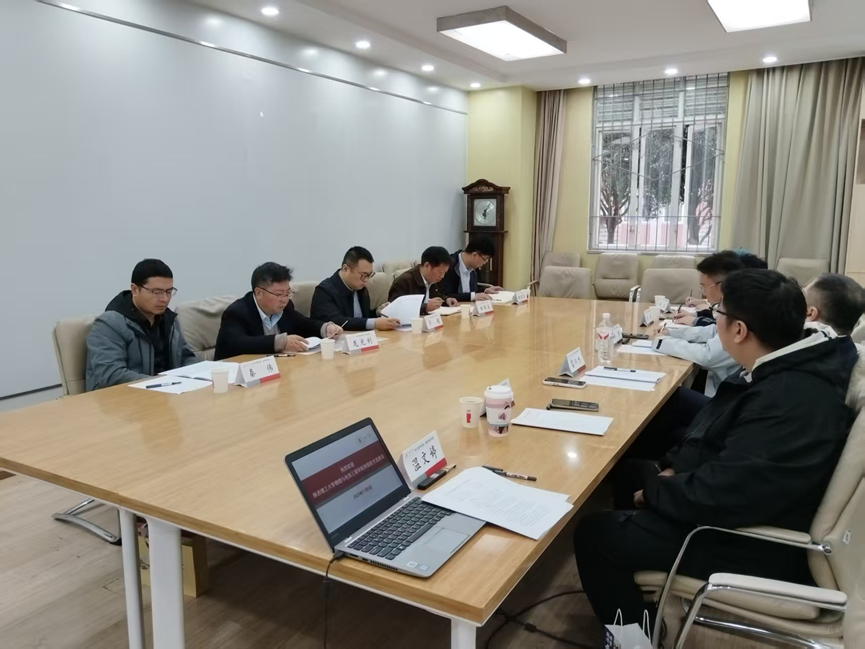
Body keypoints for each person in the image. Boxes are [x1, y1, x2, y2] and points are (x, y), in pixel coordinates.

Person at [575, 269, 858, 631]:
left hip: (754, 542)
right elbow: (724, 439)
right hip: (746, 503)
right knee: (632, 470)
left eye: (718, 312)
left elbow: (725, 493)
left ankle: (635, 637)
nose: (714, 318)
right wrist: (672, 470)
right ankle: (641, 595)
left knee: (595, 534)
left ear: (739, 330)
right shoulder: (790, 364)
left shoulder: (791, 399)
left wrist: (658, 489)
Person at [85, 259, 198, 391]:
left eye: (169, 292)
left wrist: (197, 376)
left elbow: (186, 357)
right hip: (125, 397)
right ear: (135, 290)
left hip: (169, 392)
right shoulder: (109, 325)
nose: (165, 299)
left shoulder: (169, 319)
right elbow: (111, 375)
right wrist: (163, 383)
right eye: (157, 292)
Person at [214, 262, 342, 360]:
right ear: (258, 293)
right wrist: (280, 342)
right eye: (279, 294)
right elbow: (239, 344)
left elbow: (303, 323)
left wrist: (325, 328)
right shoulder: (236, 313)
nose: (284, 299)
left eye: (287, 293)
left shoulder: (286, 307)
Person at [310, 247, 401, 332]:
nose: (366, 280)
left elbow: (361, 318)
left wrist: (377, 312)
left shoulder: (360, 288)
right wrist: (374, 323)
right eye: (363, 275)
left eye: (369, 275)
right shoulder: (324, 291)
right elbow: (337, 321)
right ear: (346, 269)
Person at [675, 251, 745, 326]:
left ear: (721, 286)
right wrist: (694, 315)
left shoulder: (740, 311)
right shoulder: (730, 304)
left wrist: (695, 321)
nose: (704, 293)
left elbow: (716, 328)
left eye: (704, 287)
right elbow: (715, 316)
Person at [388, 246, 458, 315]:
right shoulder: (404, 281)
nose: (442, 276)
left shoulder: (432, 279)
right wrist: (425, 307)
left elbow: (435, 296)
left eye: (444, 273)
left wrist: (446, 300)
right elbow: (394, 309)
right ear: (427, 266)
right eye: (440, 272)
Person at [438, 235, 502, 303]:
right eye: (485, 259)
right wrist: (472, 296)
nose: (486, 262)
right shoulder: (449, 266)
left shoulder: (473, 268)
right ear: (474, 255)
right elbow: (445, 295)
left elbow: (468, 291)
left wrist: (485, 290)